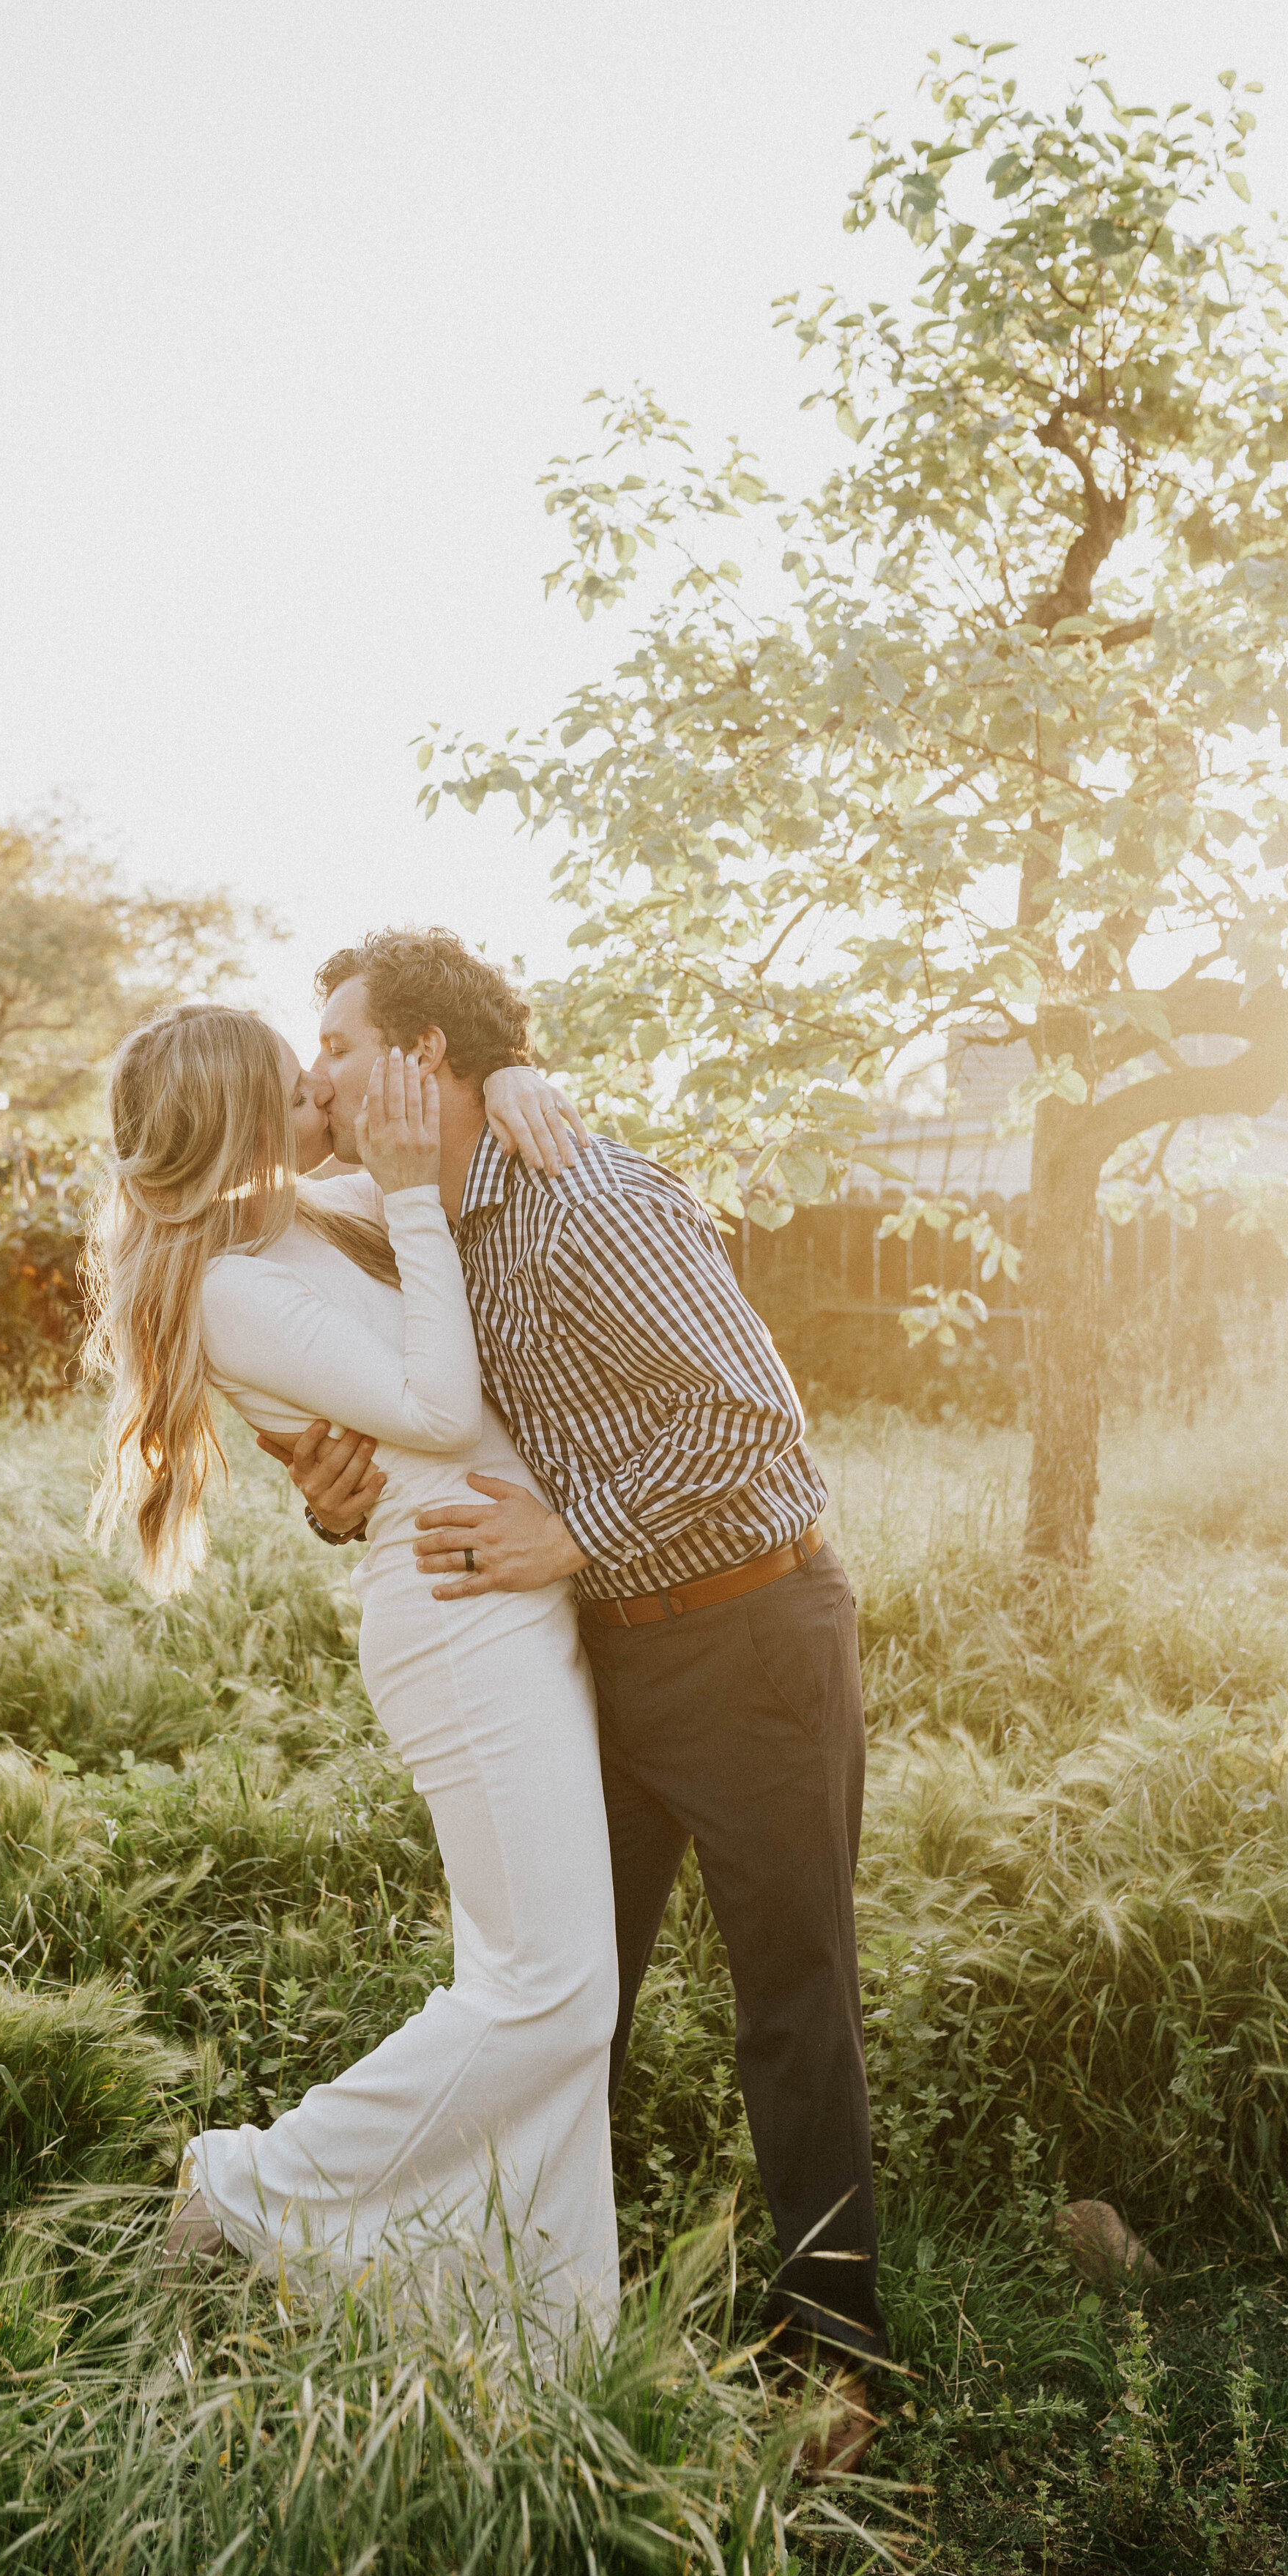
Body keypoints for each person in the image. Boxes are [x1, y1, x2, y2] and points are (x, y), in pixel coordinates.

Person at [279, 928, 887, 2455]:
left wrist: (570, 1527)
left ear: (423, 1062)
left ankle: (837, 2367)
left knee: (790, 2007)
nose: (319, 1076)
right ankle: (531, 2321)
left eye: (342, 1047)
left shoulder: (585, 1198)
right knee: (563, 2004)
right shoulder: (398, 1217)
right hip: (586, 1657)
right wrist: (335, 1493)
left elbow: (760, 1435)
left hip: (751, 1640)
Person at [81, 1002, 620, 2339]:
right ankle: (247, 2187)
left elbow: (446, 1174)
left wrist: (508, 1085)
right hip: (454, 1617)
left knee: (555, 1987)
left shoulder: (304, 1213)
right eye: (296, 1082)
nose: (325, 1089)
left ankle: (547, 2335)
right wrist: (407, 1200)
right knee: (545, 1991)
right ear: (244, 1120)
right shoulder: (226, 1287)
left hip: (509, 1591)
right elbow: (436, 1409)